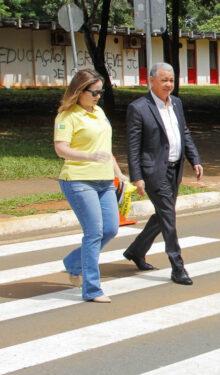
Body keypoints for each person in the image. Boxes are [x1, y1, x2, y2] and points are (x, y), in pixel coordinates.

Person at [123, 62, 203, 285]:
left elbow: (184, 133)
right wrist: (137, 176)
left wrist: (194, 158)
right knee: (168, 216)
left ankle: (136, 251)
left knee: (162, 215)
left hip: (174, 168)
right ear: (151, 80)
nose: (168, 85)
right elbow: (133, 146)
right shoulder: (139, 107)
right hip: (153, 171)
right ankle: (177, 267)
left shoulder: (176, 103)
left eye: (171, 80)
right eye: (164, 80)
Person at [54, 68, 127, 303]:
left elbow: (105, 147)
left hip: (105, 181)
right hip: (78, 180)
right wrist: (89, 157)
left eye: (100, 92)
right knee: (94, 232)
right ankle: (92, 289)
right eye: (93, 92)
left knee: (110, 229)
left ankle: (73, 263)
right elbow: (61, 149)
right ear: (79, 91)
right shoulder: (67, 116)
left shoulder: (100, 112)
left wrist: (119, 173)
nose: (97, 96)